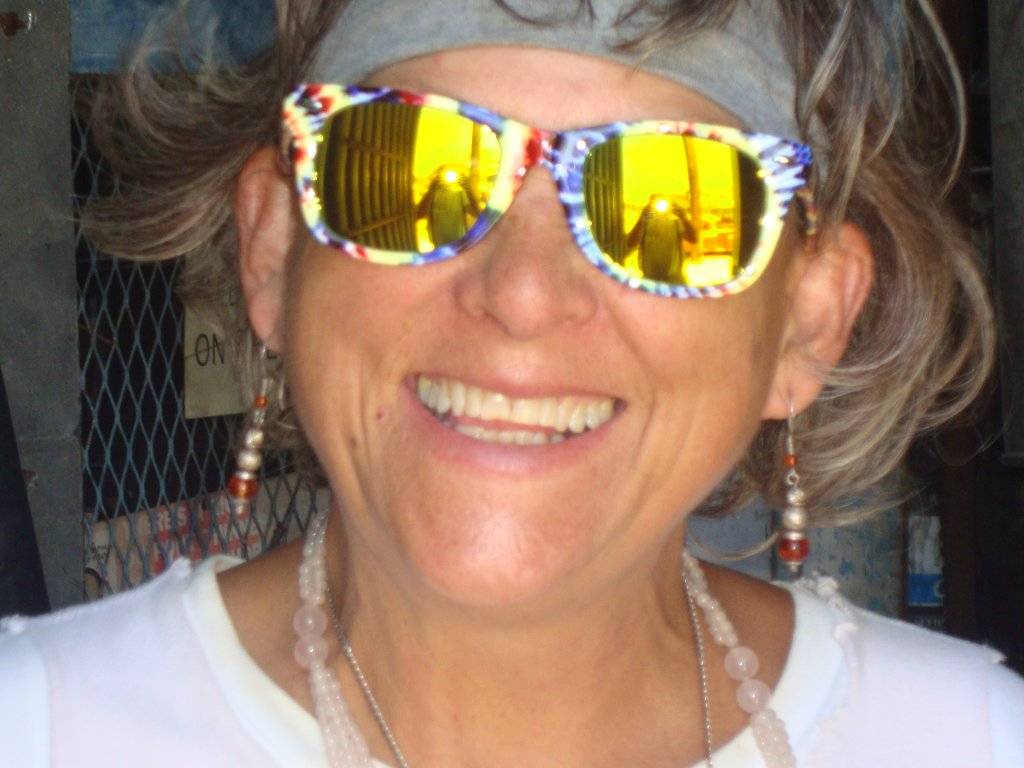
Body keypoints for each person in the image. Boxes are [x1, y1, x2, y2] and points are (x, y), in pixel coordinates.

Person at [2, 0, 1021, 766]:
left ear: (807, 321)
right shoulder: (38, 728)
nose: (524, 294)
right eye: (409, 168)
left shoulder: (967, 742)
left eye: (671, 204)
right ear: (273, 251)